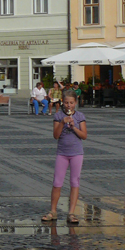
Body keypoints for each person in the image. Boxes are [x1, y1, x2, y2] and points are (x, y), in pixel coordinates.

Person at [42, 89, 87, 225]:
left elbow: (84, 136)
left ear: (75, 103)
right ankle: (53, 211)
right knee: (57, 182)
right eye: (67, 103)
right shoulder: (58, 115)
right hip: (62, 153)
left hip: (76, 153)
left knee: (75, 182)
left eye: (71, 103)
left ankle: (71, 213)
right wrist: (62, 122)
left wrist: (74, 127)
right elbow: (56, 135)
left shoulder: (80, 116)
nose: (69, 105)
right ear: (63, 102)